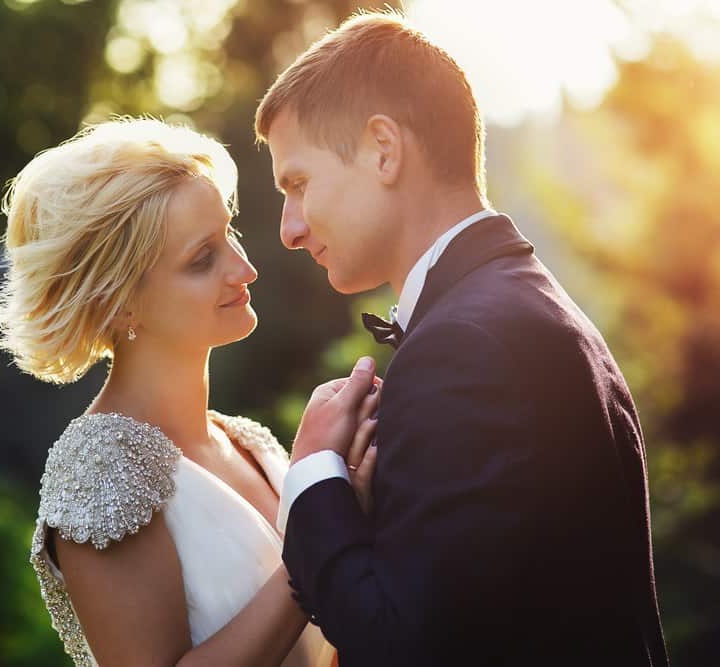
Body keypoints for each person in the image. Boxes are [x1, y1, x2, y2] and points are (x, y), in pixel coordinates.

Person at [254, 9, 669, 667]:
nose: (289, 228)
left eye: (298, 184)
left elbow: (404, 645)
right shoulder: (517, 306)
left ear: (383, 149)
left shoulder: (469, 345)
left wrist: (313, 475)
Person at [0, 118, 377, 666]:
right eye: (201, 259)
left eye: (230, 235)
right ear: (119, 302)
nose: (245, 268)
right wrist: (319, 534)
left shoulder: (250, 443)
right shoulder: (101, 471)